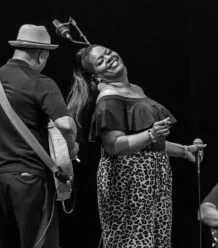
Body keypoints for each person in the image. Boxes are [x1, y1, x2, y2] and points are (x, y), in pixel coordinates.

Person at [66, 44, 206, 248]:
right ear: (97, 77)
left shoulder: (136, 89)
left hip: (155, 177)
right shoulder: (108, 98)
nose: (109, 58)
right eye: (101, 61)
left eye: (108, 53)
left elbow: (148, 145)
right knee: (133, 241)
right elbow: (114, 145)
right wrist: (151, 134)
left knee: (157, 240)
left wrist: (184, 151)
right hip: (128, 181)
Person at [0, 24, 78, 248]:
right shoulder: (39, 82)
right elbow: (67, 126)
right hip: (28, 178)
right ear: (42, 55)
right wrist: (70, 149)